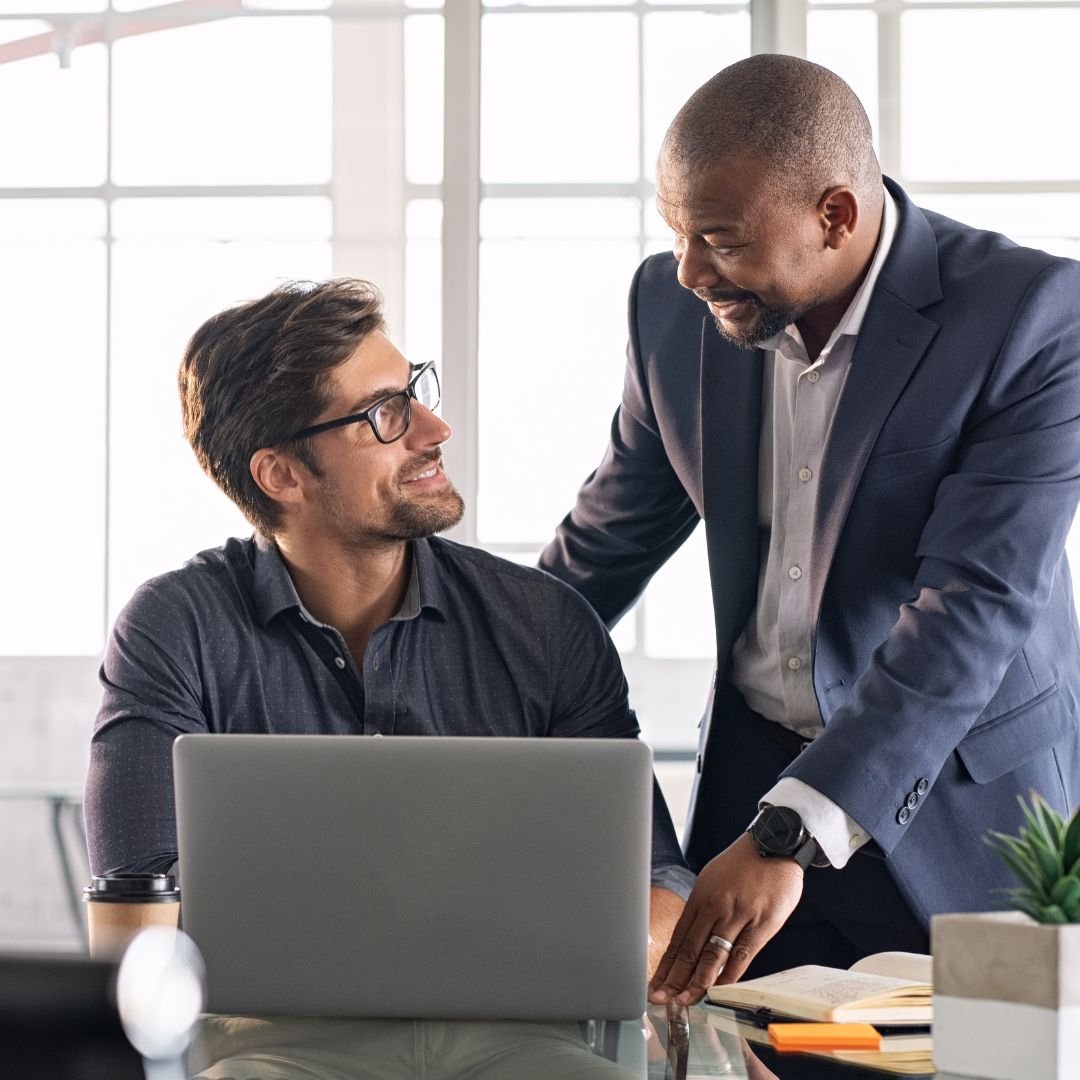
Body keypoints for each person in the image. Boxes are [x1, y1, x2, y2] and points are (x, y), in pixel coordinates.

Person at [539, 54, 1080, 1004]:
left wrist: (790, 832)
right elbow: (602, 544)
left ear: (835, 215)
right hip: (749, 791)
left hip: (956, 804)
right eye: (675, 233)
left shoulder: (1033, 316)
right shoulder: (670, 311)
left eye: (718, 239)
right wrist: (439, 654)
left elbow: (974, 605)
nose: (687, 270)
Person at [84, 277, 693, 972]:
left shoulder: (547, 624)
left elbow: (657, 882)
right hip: (270, 1050)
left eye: (416, 392)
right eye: (383, 414)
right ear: (280, 475)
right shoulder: (173, 630)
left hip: (512, 1038)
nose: (435, 431)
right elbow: (140, 902)